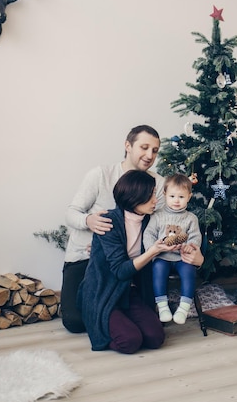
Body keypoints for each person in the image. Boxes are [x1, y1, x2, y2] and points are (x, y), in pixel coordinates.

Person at [76, 170, 204, 354]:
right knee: (129, 342)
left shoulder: (151, 221)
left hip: (130, 292)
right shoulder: (108, 222)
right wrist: (154, 250)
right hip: (103, 291)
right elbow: (120, 271)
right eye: (150, 195)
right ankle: (102, 323)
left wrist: (192, 254)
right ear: (135, 197)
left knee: (155, 338)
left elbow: (183, 244)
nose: (156, 200)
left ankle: (123, 321)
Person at [61, 125, 165, 333]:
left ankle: (117, 311)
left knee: (147, 324)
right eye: (144, 147)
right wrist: (88, 221)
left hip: (126, 262)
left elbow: (158, 224)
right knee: (75, 322)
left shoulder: (158, 183)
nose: (149, 155)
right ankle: (109, 309)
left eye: (154, 150)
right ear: (128, 145)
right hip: (86, 259)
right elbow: (71, 213)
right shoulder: (100, 175)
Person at [143, 173, 202, 325]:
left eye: (181, 197)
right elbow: (149, 233)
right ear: (165, 195)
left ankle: (183, 307)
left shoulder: (191, 218)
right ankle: (162, 306)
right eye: (172, 196)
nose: (176, 200)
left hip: (181, 257)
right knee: (158, 269)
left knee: (189, 271)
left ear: (189, 196)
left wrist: (190, 246)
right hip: (162, 256)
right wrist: (152, 248)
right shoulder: (157, 216)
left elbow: (196, 236)